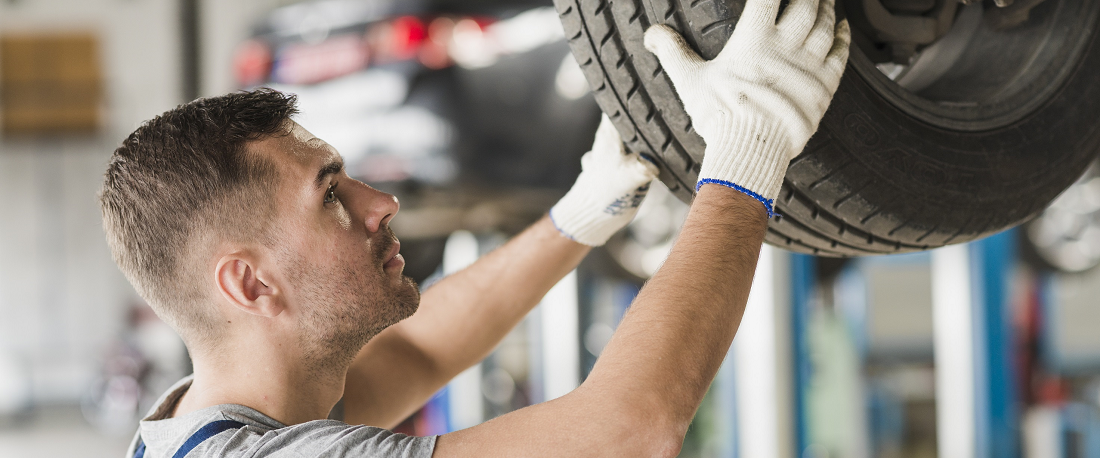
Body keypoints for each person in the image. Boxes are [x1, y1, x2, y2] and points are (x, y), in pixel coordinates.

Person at [101, 0, 848, 456]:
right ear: (250, 282)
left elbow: (420, 351)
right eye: (331, 196)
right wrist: (749, 153)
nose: (381, 202)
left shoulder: (212, 426)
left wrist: (580, 214)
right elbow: (627, 432)